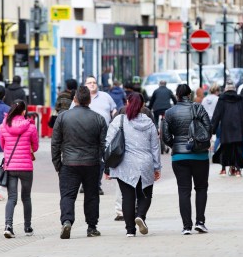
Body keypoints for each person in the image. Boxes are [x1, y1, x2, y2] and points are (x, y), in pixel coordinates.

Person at [52, 85, 107, 239]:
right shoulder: (99, 119)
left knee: (68, 195)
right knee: (91, 196)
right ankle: (91, 227)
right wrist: (105, 165)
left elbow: (55, 143)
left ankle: (67, 221)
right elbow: (103, 145)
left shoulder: (63, 117)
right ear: (89, 100)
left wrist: (58, 164)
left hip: (69, 163)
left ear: (74, 99)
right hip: (92, 163)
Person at [106, 93, 161, 237]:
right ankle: (141, 216)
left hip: (124, 164)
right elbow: (155, 146)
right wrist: (157, 167)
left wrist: (107, 166)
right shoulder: (148, 122)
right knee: (146, 194)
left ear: (127, 102)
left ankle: (130, 230)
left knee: (127, 196)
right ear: (142, 105)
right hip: (145, 162)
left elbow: (108, 143)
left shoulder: (119, 120)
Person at [162, 84, 212, 235]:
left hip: (179, 157)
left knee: (184, 191)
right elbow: (208, 129)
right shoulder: (199, 108)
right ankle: (200, 222)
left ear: (177, 95)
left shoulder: (170, 112)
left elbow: (165, 136)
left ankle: (186, 226)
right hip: (200, 155)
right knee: (201, 188)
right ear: (189, 94)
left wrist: (176, 145)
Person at [0, 99, 39, 238]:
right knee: (26, 197)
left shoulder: (3, 126)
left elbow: (3, 146)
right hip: (26, 166)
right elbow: (36, 147)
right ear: (24, 111)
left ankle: (8, 226)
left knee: (12, 198)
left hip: (11, 166)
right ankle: (27, 227)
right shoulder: (31, 126)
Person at [73, 75, 117, 195]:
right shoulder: (79, 98)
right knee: (85, 159)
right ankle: (85, 183)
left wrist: (114, 119)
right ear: (85, 85)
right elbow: (72, 113)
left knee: (101, 160)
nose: (92, 84)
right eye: (89, 83)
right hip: (84, 135)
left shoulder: (105, 96)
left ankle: (96, 185)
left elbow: (114, 109)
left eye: (94, 82)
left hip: (103, 134)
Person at [211, 80, 243, 176]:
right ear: (234, 89)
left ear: (225, 89)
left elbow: (217, 115)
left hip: (226, 127)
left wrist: (212, 129)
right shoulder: (240, 99)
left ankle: (224, 169)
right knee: (238, 148)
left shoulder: (221, 99)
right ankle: (237, 170)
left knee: (225, 147)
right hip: (238, 127)